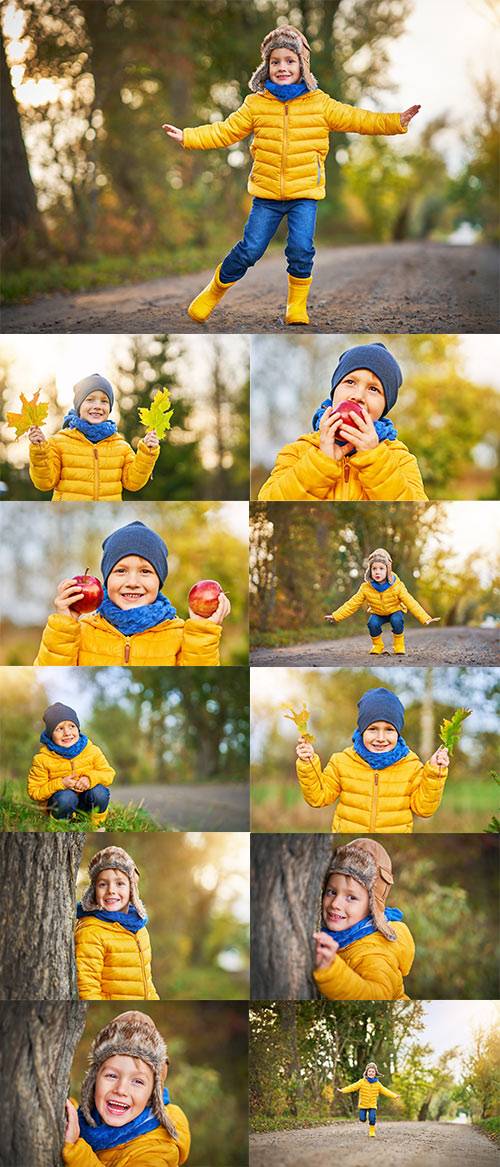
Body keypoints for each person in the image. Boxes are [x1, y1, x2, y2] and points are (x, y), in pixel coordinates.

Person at [162, 27, 419, 325]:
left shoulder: (319, 103)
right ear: (266, 67)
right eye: (275, 62)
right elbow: (225, 130)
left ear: (302, 66)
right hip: (266, 195)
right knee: (250, 250)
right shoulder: (255, 104)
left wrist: (395, 121)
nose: (282, 67)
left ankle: (296, 306)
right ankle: (213, 292)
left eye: (289, 61)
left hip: (304, 194)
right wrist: (189, 137)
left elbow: (357, 118)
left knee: (300, 249)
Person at [34, 520, 230, 666]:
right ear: (106, 579)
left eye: (145, 571)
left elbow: (193, 681)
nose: (133, 583)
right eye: (120, 571)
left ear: (159, 581)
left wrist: (202, 632)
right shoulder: (80, 631)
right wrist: (64, 627)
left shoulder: (182, 634)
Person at [258, 343, 427, 500]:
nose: (358, 396)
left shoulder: (401, 459)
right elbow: (269, 500)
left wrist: (373, 458)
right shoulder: (297, 452)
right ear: (334, 391)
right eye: (350, 382)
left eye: (373, 389)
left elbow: (412, 503)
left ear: (385, 406)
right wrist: (321, 461)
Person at [296, 686, 449, 832]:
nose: (381, 738)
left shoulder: (411, 766)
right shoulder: (342, 762)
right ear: (362, 731)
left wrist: (435, 773)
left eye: (389, 730)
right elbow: (318, 797)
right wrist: (307, 763)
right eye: (373, 729)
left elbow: (424, 809)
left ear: (398, 733)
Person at [63, 1010, 190, 1165]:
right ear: (94, 1079)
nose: (121, 1090)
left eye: (137, 1082)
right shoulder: (88, 1117)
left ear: (152, 1093)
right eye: (111, 1076)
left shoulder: (158, 1150)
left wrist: (76, 1152)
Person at [28, 373, 159, 501]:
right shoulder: (58, 443)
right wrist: (40, 451)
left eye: (104, 401)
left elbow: (133, 482)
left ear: (109, 408)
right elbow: (45, 483)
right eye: (90, 400)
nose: (97, 406)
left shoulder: (121, 447)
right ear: (79, 406)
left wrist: (147, 452)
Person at [312, 838, 415, 1000]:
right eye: (331, 892)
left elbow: (377, 996)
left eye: (351, 897)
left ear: (371, 907)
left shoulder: (374, 950)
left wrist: (331, 969)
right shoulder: (341, 934)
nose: (335, 904)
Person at [75, 847, 159, 1001]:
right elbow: (87, 987)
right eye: (103, 884)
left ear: (132, 890)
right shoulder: (91, 932)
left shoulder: (140, 929)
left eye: (120, 883)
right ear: (93, 890)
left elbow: (148, 981)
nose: (111, 890)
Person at [325, 546, 439, 655]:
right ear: (370, 571)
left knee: (397, 620)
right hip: (378, 612)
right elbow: (352, 604)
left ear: (388, 570)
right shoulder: (366, 588)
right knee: (372, 623)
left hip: (395, 610)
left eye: (381, 568)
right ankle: (377, 645)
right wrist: (336, 616)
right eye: (374, 568)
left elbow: (411, 602)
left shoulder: (397, 586)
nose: (377, 572)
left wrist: (425, 617)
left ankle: (399, 644)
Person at [27, 702, 114, 825]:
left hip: (85, 802)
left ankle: (94, 823)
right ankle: (62, 824)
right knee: (66, 797)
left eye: (72, 726)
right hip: (62, 802)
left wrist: (90, 779)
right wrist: (61, 783)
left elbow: (109, 773)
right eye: (59, 729)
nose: (67, 733)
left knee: (99, 793)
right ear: (50, 734)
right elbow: (34, 792)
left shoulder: (92, 750)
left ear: (78, 728)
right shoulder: (42, 759)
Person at [338, 1061, 399, 1138]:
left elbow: (385, 1091)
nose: (371, 1073)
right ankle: (364, 1118)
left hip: (372, 1105)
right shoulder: (362, 1082)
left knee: (372, 1118)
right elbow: (352, 1087)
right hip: (363, 1104)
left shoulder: (377, 1084)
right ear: (366, 1072)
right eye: (369, 1071)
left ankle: (372, 1131)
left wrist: (394, 1096)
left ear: (375, 1073)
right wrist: (343, 1090)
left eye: (373, 1071)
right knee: (362, 1119)